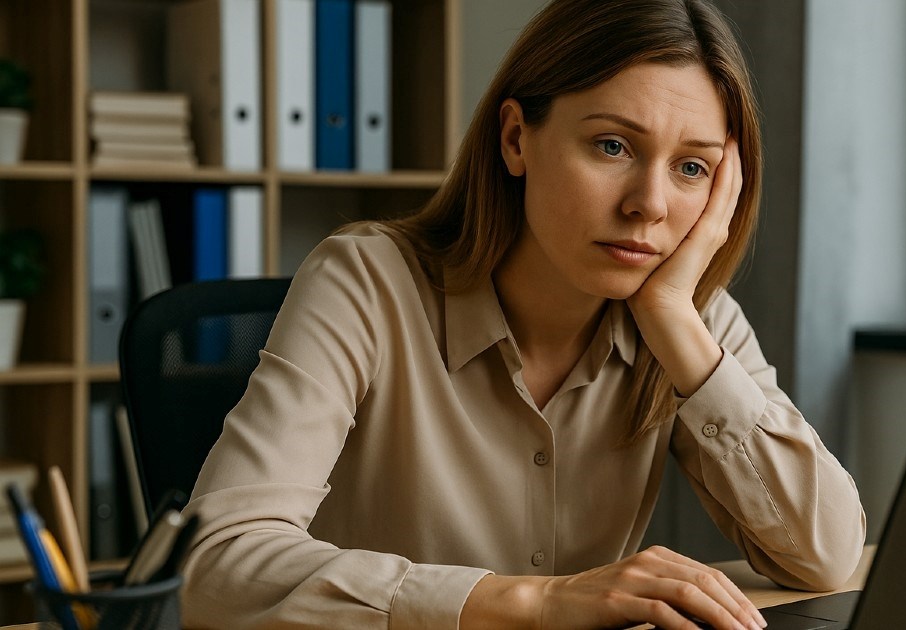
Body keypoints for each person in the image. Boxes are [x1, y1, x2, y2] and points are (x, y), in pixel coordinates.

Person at [180, 0, 866, 628]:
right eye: (612, 146)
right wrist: (536, 601)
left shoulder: (691, 319)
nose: (649, 204)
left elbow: (826, 557)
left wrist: (676, 326)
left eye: (692, 168)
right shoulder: (368, 282)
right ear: (516, 138)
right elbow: (219, 566)